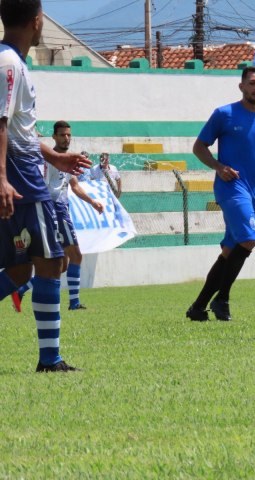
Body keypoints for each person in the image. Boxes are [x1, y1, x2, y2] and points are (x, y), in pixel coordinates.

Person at [0, 0, 91, 372]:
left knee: (21, 270)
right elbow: (0, 123)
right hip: (19, 178)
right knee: (52, 261)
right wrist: (2, 178)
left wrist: (54, 157)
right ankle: (50, 360)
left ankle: (50, 358)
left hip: (19, 172)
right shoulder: (8, 63)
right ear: (38, 21)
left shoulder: (13, 61)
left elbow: (21, 128)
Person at [185, 66, 255, 321]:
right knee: (250, 238)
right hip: (231, 187)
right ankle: (223, 298)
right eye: (252, 83)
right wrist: (218, 167)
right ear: (241, 86)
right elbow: (199, 147)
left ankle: (198, 307)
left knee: (231, 250)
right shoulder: (224, 114)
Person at [12, 121, 104, 312]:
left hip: (61, 208)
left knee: (60, 266)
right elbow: (42, 187)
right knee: (76, 256)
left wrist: (93, 202)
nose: (66, 138)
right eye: (62, 135)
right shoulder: (49, 159)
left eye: (68, 135)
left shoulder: (68, 159)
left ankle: (22, 289)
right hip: (55, 208)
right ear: (54, 137)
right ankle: (74, 302)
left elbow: (75, 186)